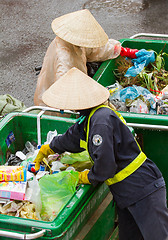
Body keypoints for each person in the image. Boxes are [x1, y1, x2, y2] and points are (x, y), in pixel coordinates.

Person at [34, 67, 168, 240]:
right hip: (126, 194)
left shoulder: (100, 121)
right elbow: (71, 138)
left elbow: (105, 167)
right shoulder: (89, 118)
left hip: (143, 190)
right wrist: (49, 149)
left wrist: (85, 177)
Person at [34, 9, 138, 106]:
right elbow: (66, 96)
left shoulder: (74, 41)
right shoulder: (64, 59)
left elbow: (94, 49)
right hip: (57, 106)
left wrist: (123, 51)